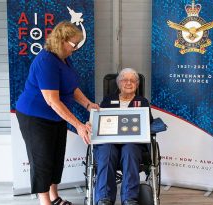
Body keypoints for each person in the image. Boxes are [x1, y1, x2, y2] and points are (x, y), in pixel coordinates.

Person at [15, 21, 99, 205]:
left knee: (56, 158)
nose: (76, 48)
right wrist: (78, 125)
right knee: (42, 159)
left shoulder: (64, 57)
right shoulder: (46, 61)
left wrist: (88, 104)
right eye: (74, 44)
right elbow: (52, 100)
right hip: (35, 116)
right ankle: (45, 201)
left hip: (56, 116)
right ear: (61, 40)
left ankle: (55, 197)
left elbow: (71, 87)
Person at [94, 68, 153, 205]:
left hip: (132, 142)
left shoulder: (142, 102)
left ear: (137, 85)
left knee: (130, 150)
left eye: (132, 80)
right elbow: (100, 121)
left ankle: (129, 198)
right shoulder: (108, 100)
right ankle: (104, 198)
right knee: (107, 151)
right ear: (119, 83)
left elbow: (149, 123)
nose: (128, 83)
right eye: (125, 80)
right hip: (109, 141)